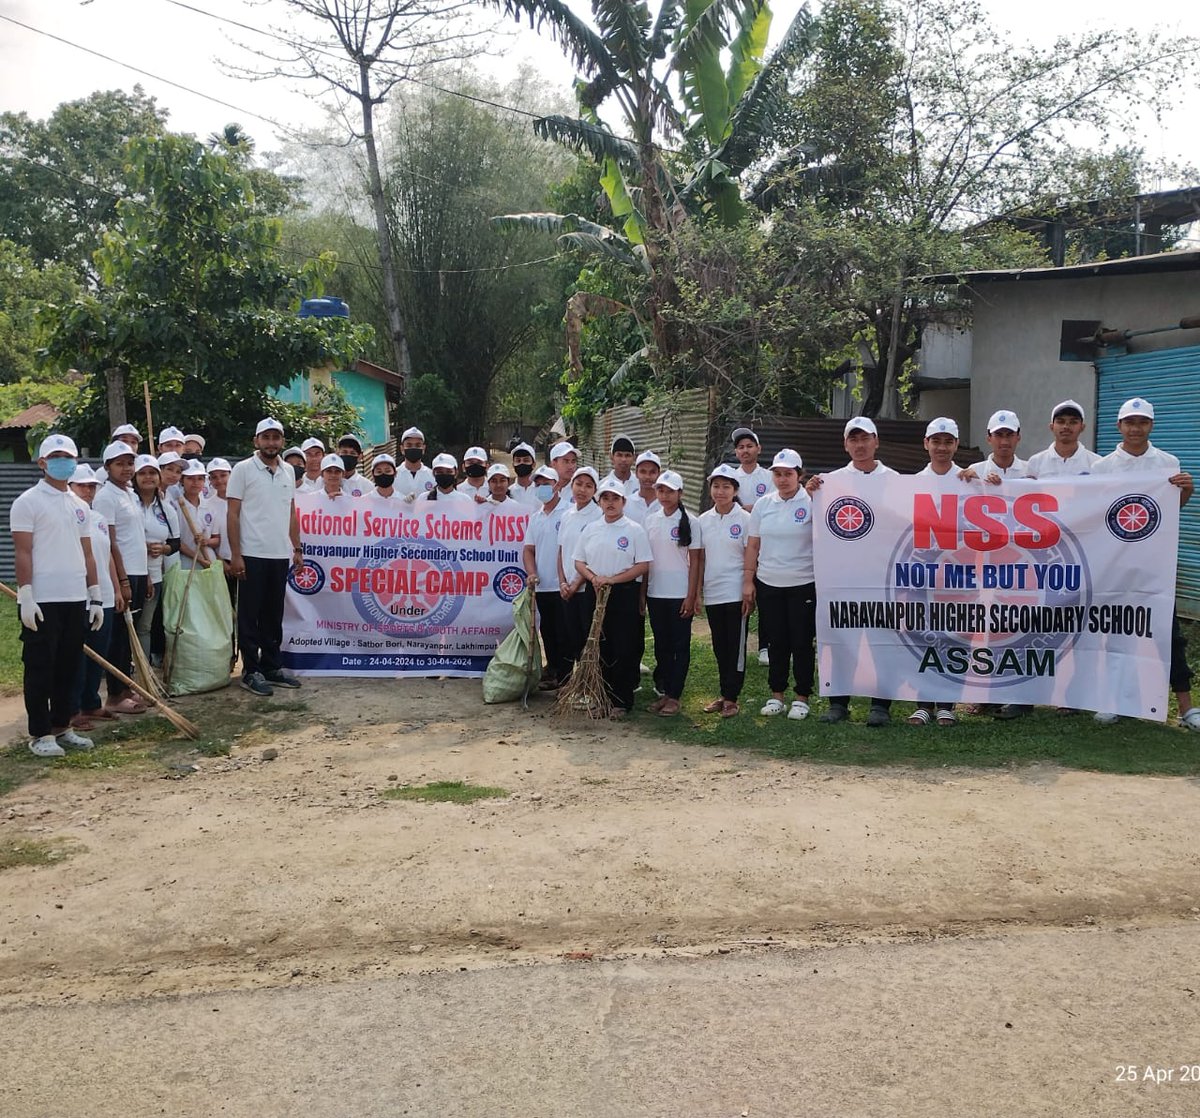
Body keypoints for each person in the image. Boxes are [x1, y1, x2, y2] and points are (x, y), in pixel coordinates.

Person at [1089, 396, 1197, 729]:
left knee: (1169, 633)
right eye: (1130, 422)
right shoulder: (1101, 468)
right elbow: (1092, 512)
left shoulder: (1167, 462)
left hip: (1155, 563)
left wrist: (1187, 490)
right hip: (1115, 564)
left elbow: (1168, 512)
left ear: (1151, 425)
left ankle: (1186, 707)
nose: (1136, 428)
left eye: (1142, 422)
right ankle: (1114, 700)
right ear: (1119, 426)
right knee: (1116, 631)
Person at [9, 434, 102, 757]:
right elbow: (23, 551)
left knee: (69, 665)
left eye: (68, 457)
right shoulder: (28, 502)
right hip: (43, 598)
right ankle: (40, 733)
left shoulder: (79, 505)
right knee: (40, 667)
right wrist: (27, 593)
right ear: (43, 462)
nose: (63, 462)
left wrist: (94, 593)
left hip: (74, 596)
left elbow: (87, 553)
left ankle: (63, 726)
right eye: (56, 456)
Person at [808, 417, 898, 726]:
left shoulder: (897, 480)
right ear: (846, 444)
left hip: (881, 579)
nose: (859, 445)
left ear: (876, 441)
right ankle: (838, 703)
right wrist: (811, 492)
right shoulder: (829, 482)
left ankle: (881, 705)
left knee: (881, 644)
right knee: (842, 641)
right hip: (842, 579)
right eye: (853, 439)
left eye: (865, 439)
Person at [227, 417, 305, 697]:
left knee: (274, 613)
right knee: (250, 615)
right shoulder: (243, 470)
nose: (271, 443)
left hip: (278, 554)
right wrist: (236, 555)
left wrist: (296, 548)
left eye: (276, 438)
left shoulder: (288, 472)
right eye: (266, 437)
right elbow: (233, 514)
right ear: (256, 440)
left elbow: (291, 512)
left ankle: (272, 665)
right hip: (251, 553)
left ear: (282, 441)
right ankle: (251, 671)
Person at [907, 418, 972, 726]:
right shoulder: (910, 482)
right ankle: (923, 702)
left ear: (956, 445)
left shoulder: (969, 480)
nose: (942, 447)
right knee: (923, 635)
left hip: (958, 574)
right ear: (926, 444)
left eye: (948, 442)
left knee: (955, 637)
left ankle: (947, 702)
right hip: (921, 573)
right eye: (936, 441)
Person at [742, 448, 815, 721]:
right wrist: (748, 580)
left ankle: (802, 697)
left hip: (803, 582)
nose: (783, 479)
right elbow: (753, 544)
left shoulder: (811, 502)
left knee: (801, 641)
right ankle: (777, 695)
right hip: (769, 583)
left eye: (788, 474)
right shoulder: (763, 504)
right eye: (778, 474)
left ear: (799, 474)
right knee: (776, 641)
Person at [574, 477, 652, 718]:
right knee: (600, 644)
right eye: (605, 498)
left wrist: (613, 580)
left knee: (623, 646)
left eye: (615, 498)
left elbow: (643, 565)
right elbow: (578, 561)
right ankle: (602, 697)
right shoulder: (591, 528)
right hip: (595, 591)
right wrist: (593, 577)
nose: (610, 503)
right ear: (599, 502)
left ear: (623, 501)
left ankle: (621, 700)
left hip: (622, 593)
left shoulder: (634, 529)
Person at [92, 442, 149, 715]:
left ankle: (126, 686)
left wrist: (144, 575)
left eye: (129, 463)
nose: (126, 468)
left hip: (138, 570)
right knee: (118, 636)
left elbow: (137, 536)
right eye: (119, 464)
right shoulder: (106, 497)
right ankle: (115, 694)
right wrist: (122, 582)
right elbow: (111, 544)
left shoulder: (131, 493)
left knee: (129, 633)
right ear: (107, 468)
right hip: (122, 572)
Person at [643, 470, 701, 717]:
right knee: (661, 645)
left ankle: (675, 695)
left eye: (670, 491)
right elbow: (646, 560)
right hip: (656, 593)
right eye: (661, 491)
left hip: (679, 593)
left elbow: (696, 562)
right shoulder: (651, 520)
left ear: (680, 493)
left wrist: (692, 595)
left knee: (680, 645)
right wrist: (642, 594)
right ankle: (666, 690)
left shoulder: (692, 522)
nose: (664, 496)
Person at [68, 464, 121, 732]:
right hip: (80, 595)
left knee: (99, 652)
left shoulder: (98, 518)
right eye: (82, 486)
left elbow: (108, 554)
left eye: (91, 486)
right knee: (78, 654)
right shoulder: (66, 516)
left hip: (105, 595)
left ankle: (91, 701)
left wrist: (117, 587)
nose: (88, 491)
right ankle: (72, 708)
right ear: (70, 487)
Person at [696, 464, 751, 717]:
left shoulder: (745, 520)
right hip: (714, 592)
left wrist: (749, 589)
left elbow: (752, 556)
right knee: (720, 646)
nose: (720, 491)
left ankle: (732, 698)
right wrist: (697, 592)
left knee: (735, 647)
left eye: (726, 486)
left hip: (737, 592)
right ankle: (724, 693)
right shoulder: (703, 521)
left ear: (735, 490)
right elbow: (700, 560)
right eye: (716, 486)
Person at [522, 465, 571, 690]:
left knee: (565, 632)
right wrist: (532, 573)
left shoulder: (570, 513)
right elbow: (528, 550)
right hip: (543, 586)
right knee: (547, 632)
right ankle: (552, 671)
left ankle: (566, 676)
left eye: (547, 484)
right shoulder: (536, 518)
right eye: (538, 485)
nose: (542, 488)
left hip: (565, 585)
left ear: (557, 485)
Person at [133, 455, 180, 665]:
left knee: (145, 626)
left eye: (152, 473)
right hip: (129, 574)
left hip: (155, 575)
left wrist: (164, 548)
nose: (148, 477)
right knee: (126, 624)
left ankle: (145, 673)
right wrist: (142, 548)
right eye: (142, 473)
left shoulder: (166, 508)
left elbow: (175, 543)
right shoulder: (128, 503)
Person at [557, 467, 602, 669]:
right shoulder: (567, 515)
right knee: (570, 635)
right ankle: (572, 681)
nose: (582, 490)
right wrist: (563, 582)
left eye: (588, 486)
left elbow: (592, 557)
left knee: (587, 636)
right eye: (578, 484)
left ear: (595, 490)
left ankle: (588, 681)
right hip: (567, 589)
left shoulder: (598, 516)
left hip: (586, 589)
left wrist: (576, 583)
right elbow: (561, 551)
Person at [1025, 399, 1101, 479]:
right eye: (1060, 422)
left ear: (1082, 427)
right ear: (1051, 427)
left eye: (1073, 422)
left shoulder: (1096, 463)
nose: (1066, 426)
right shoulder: (1036, 462)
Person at [177, 461, 219, 569]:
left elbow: (217, 539)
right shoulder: (176, 505)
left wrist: (206, 541)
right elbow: (176, 541)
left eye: (200, 479)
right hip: (185, 563)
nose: (195, 483)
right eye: (190, 478)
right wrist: (200, 560)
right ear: (182, 480)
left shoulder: (209, 505)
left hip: (209, 561)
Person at [731, 427, 773, 511]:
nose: (745, 450)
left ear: (759, 449)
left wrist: (755, 509)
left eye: (749, 446)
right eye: (741, 447)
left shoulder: (770, 477)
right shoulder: (731, 478)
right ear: (736, 452)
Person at [978, 410, 1027, 481]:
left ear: (1018, 437)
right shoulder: (976, 472)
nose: (1004, 442)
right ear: (989, 439)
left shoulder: (1030, 472)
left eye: (1010, 435)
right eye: (998, 435)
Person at [394, 427, 435, 502]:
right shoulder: (393, 477)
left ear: (423, 449)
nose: (413, 448)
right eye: (409, 445)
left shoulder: (433, 476)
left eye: (418, 445)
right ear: (402, 449)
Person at [625, 450, 661, 525]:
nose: (647, 477)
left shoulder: (665, 504)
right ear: (636, 474)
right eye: (643, 472)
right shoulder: (626, 504)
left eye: (652, 472)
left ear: (659, 474)